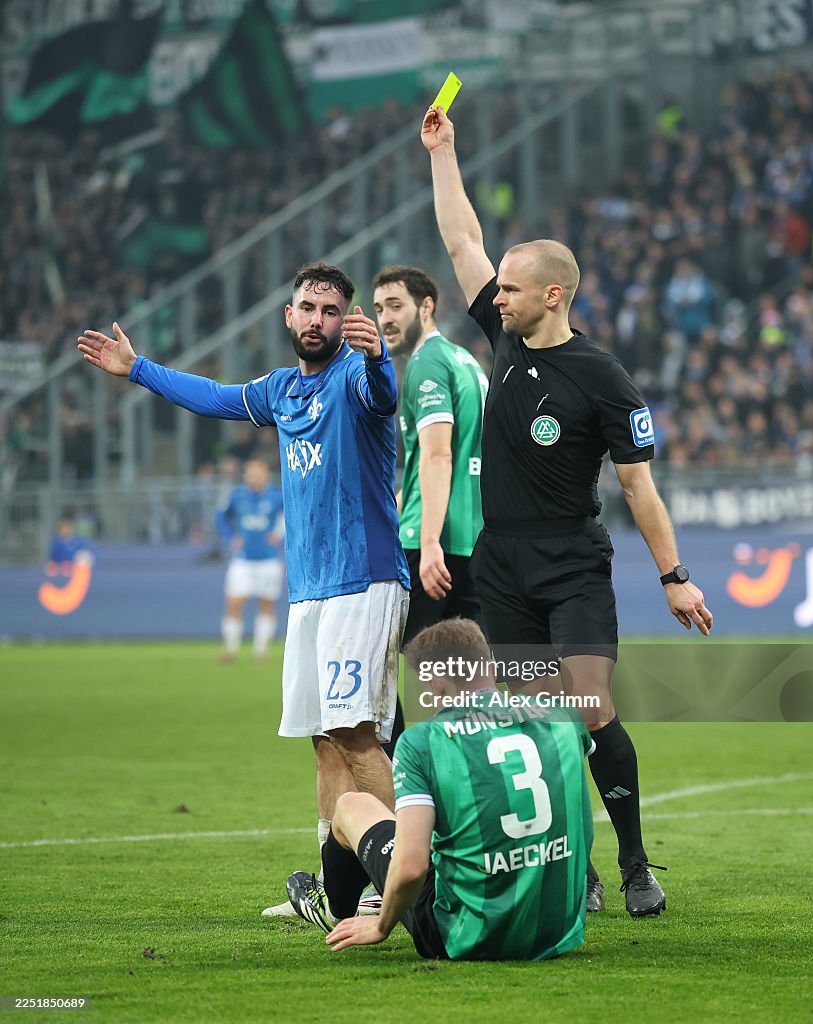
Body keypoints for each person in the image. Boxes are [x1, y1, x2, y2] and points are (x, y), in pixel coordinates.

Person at [420, 105, 714, 917]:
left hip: (573, 564)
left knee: (587, 709)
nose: (494, 297)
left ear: (553, 294)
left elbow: (638, 488)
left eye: (510, 289)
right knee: (530, 721)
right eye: (497, 289)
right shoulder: (506, 343)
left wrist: (675, 577)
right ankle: (572, 867)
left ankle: (635, 864)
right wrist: (444, 154)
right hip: (502, 564)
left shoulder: (604, 379)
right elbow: (461, 242)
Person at [77, 262, 411, 907]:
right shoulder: (282, 390)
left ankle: (399, 881)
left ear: (347, 322)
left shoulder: (355, 376)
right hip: (310, 590)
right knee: (323, 743)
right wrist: (139, 368)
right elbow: (217, 397)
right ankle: (337, 886)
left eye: (331, 311)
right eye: (307, 309)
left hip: (362, 581)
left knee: (359, 735)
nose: (318, 320)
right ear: (289, 316)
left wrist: (378, 360)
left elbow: (382, 395)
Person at [286, 617, 594, 961]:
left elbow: (413, 866)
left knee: (351, 807)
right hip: (558, 929)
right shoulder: (564, 716)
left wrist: (382, 926)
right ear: (491, 665)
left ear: (432, 681)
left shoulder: (423, 741)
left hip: (463, 936)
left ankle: (335, 911)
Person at [372, 264, 487, 760]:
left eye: (395, 306)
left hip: (431, 540)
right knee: (465, 672)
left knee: (377, 665)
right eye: (378, 309)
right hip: (476, 537)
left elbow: (439, 455)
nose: (384, 319)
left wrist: (431, 540)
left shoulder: (425, 366)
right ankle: (478, 770)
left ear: (426, 306)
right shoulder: (467, 362)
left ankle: (403, 780)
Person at [215, 458, 284, 663]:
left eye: (256, 473)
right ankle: (231, 649)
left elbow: (290, 517)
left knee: (267, 603)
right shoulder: (237, 496)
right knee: (234, 602)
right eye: (249, 473)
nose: (252, 477)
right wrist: (231, 537)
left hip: (269, 559)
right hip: (242, 559)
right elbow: (221, 518)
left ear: (265, 475)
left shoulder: (276, 496)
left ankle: (260, 651)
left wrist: (279, 537)